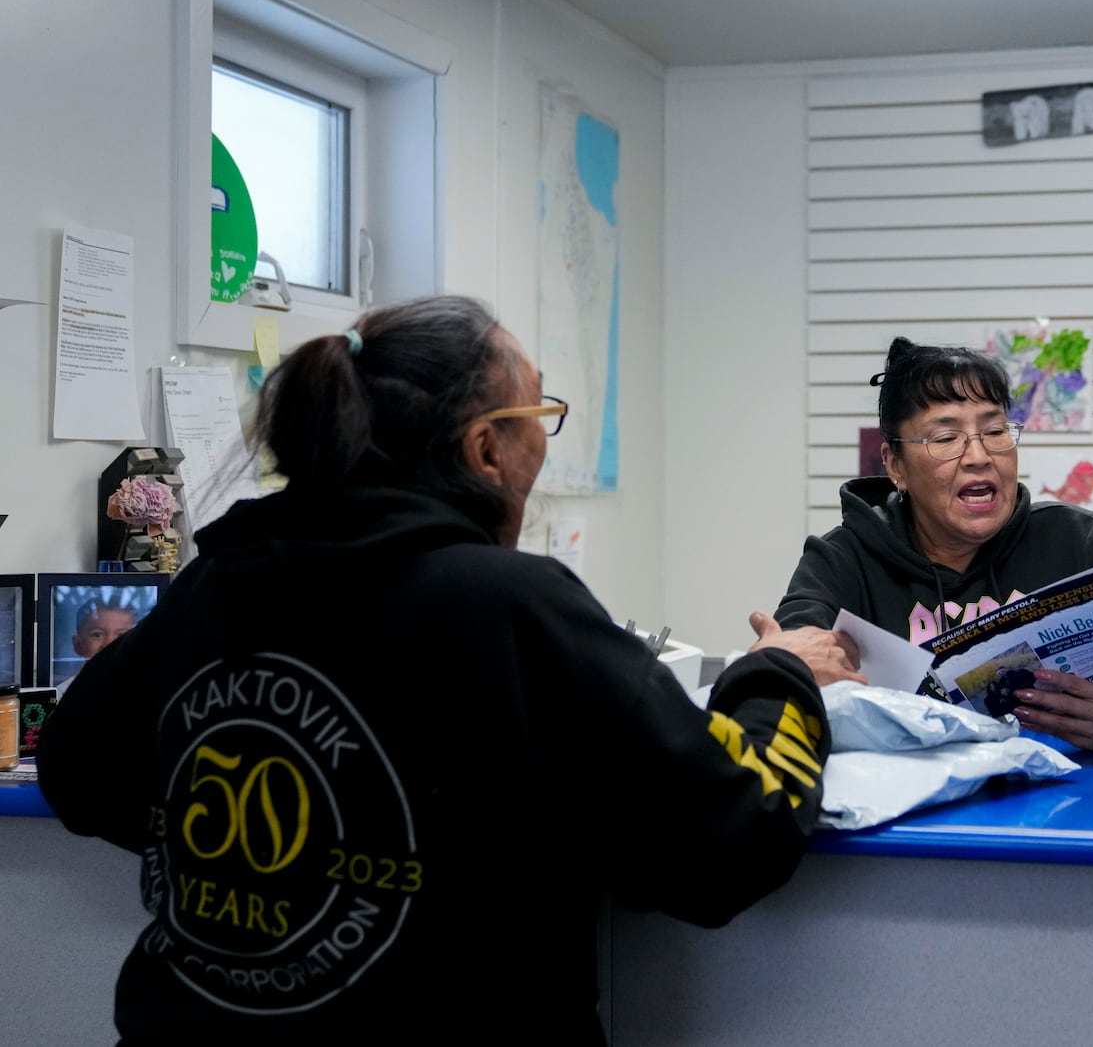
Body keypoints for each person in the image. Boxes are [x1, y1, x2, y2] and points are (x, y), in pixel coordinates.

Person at [38, 295, 862, 1045]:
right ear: (485, 450)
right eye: (538, 411)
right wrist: (777, 673)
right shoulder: (507, 605)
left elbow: (76, 768)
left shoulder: (221, 578)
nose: (546, 435)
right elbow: (733, 840)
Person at [774, 335, 1093, 750]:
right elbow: (786, 661)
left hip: (1073, 797)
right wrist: (786, 658)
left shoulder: (1078, 540)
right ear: (895, 464)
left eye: (996, 431)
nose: (979, 455)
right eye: (946, 438)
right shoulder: (843, 557)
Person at [53, 599, 139, 693]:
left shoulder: (150, 694)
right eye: (98, 634)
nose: (109, 643)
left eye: (121, 635)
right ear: (78, 645)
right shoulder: (61, 696)